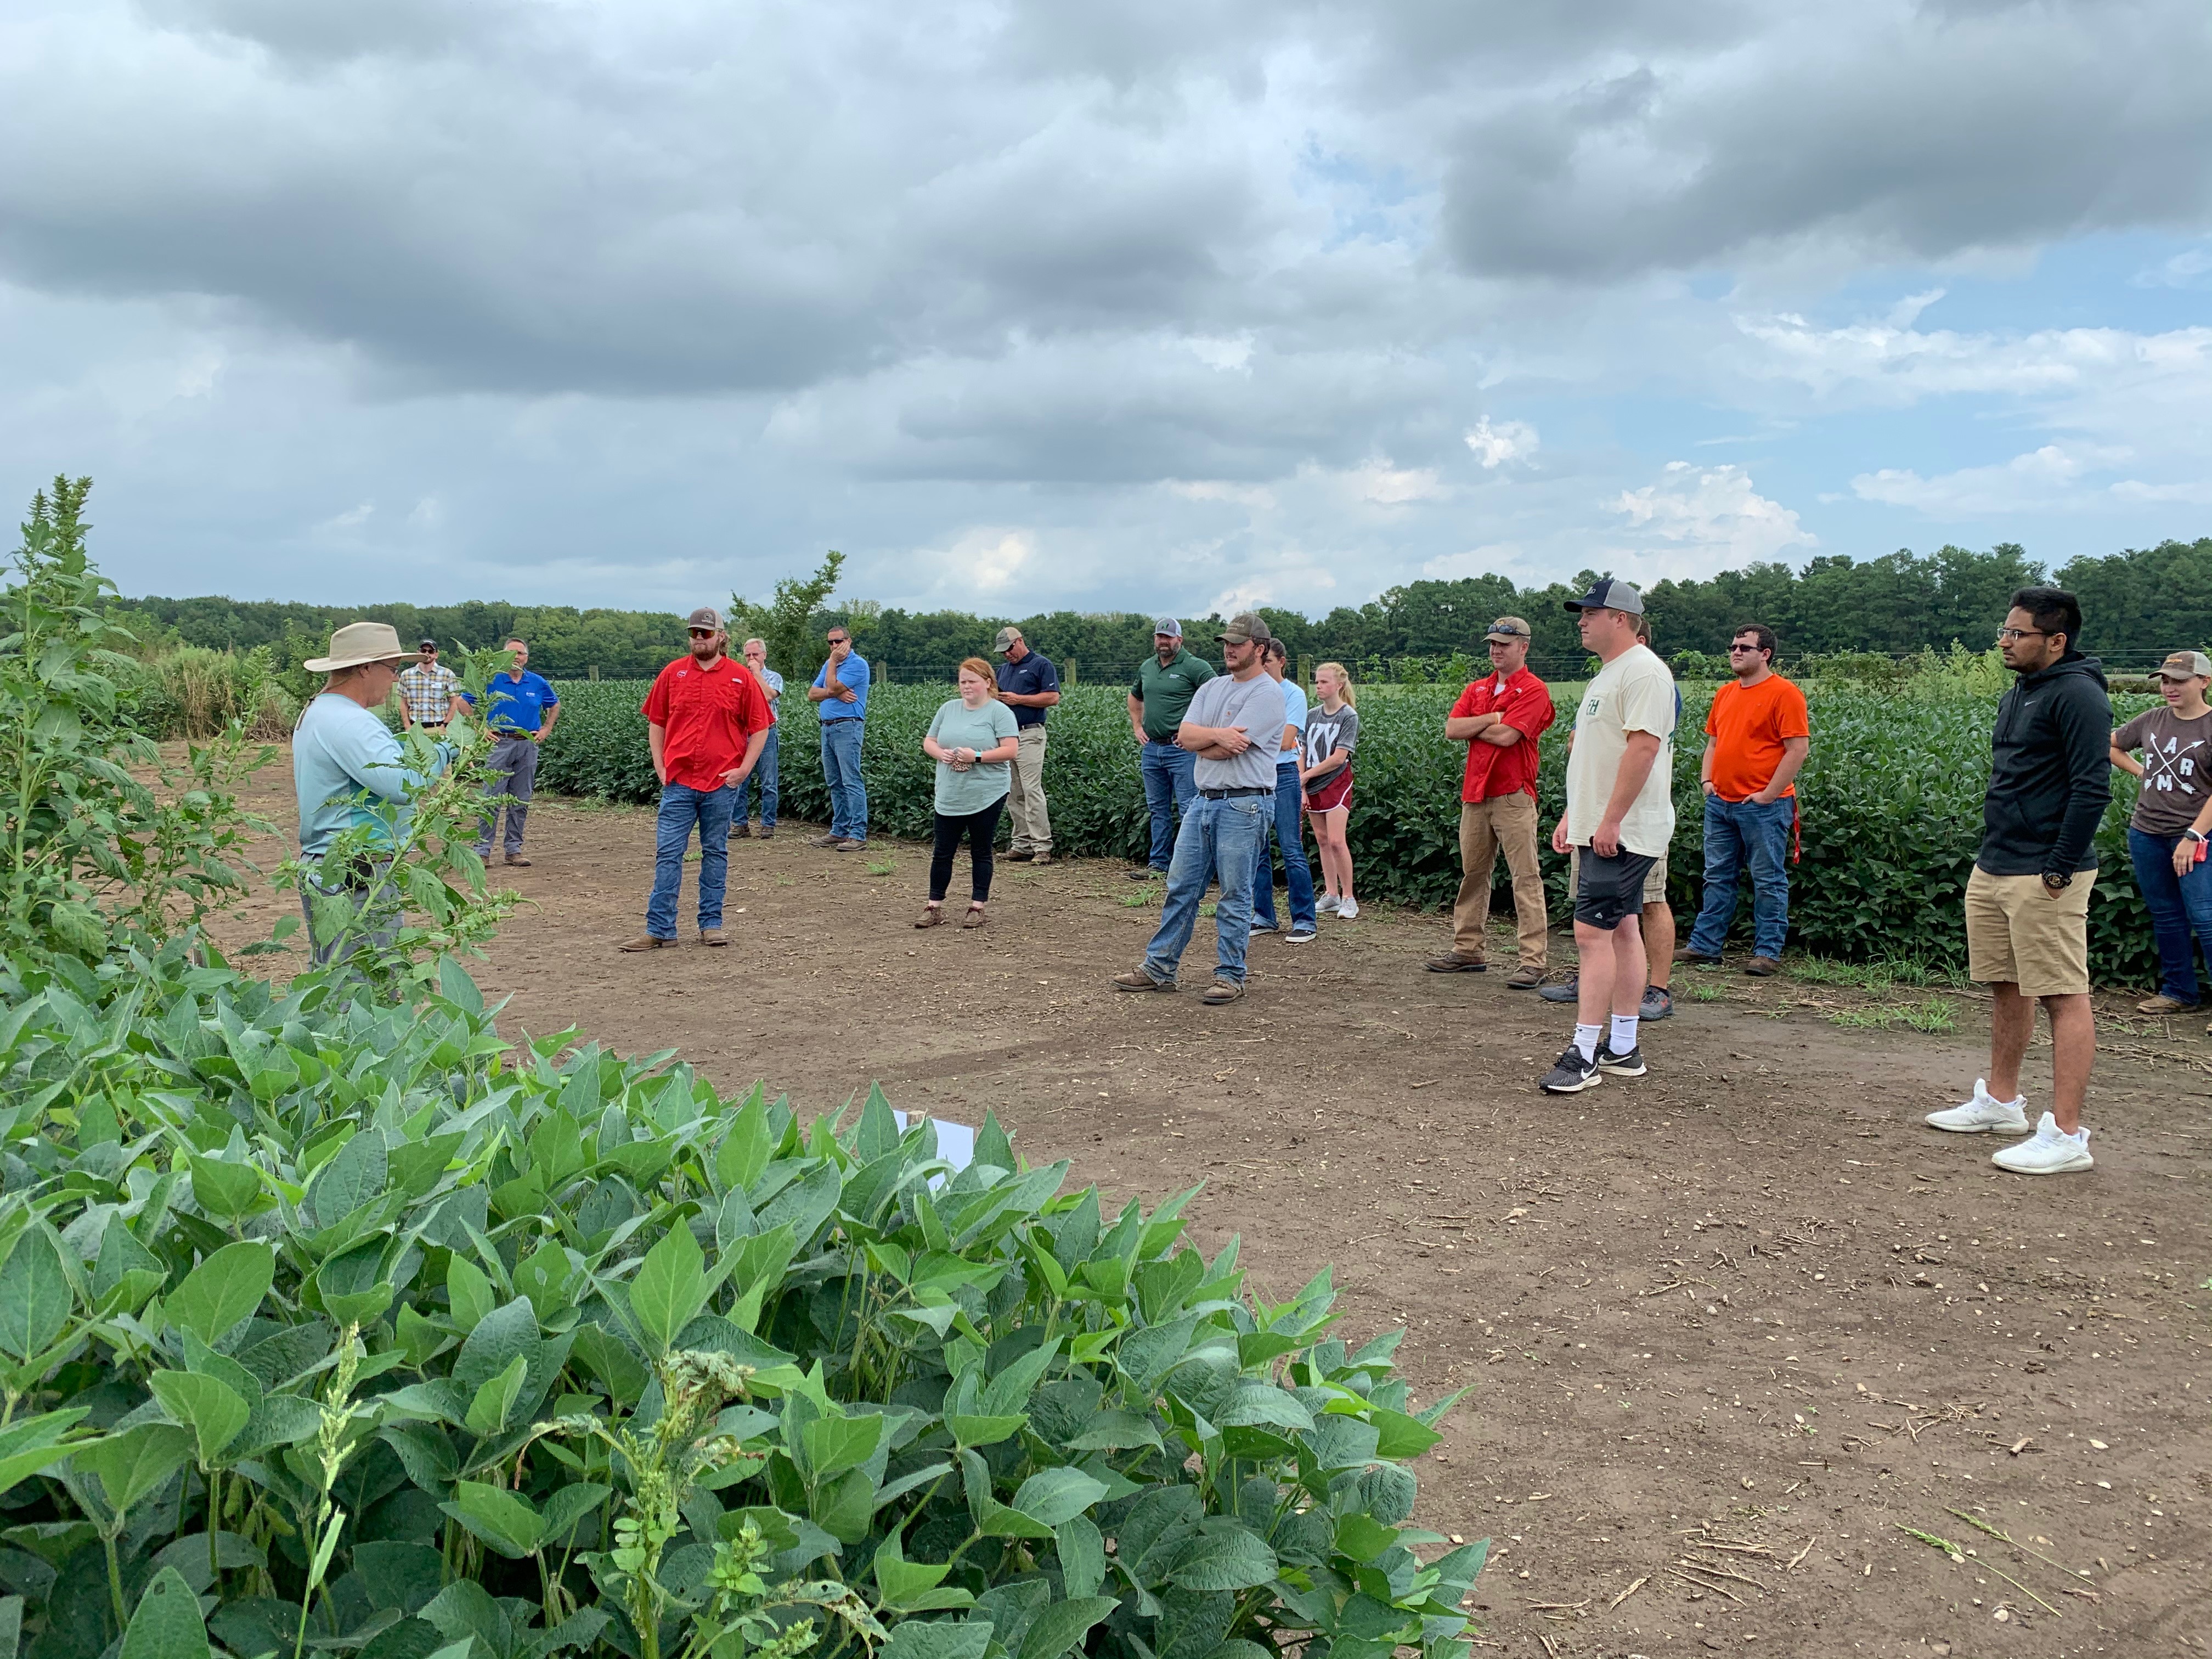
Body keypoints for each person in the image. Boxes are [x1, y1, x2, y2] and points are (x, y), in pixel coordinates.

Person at [1926, 586, 2108, 1176]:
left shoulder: (2079, 695)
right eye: (2004, 631)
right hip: (1998, 862)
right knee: (2007, 984)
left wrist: (2058, 866)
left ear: (2055, 640)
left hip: (2045, 872)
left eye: (2017, 633)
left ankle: (2068, 1134)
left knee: (2063, 993)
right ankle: (2002, 1105)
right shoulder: (2022, 690)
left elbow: (2091, 788)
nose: (2004, 642)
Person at [1539, 579, 1676, 1094]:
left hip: (1622, 831)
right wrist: (1576, 814)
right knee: (1621, 930)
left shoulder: (1643, 672)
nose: (1582, 620)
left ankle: (1583, 1052)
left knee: (1591, 936)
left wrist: (1612, 821)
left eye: (1591, 612)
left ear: (1620, 618)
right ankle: (1622, 1048)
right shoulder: (1612, 673)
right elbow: (1596, 756)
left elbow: (1642, 751)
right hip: (1601, 825)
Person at [1112, 614, 1286, 1003]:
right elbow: (1185, 735)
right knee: (1181, 887)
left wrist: (1203, 741)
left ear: (1259, 649)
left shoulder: (1267, 694)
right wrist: (1212, 737)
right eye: (1227, 642)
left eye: (1238, 644)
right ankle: (1159, 969)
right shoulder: (1213, 687)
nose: (1229, 648)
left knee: (1235, 893)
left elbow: (1226, 748)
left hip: (1245, 802)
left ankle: (1230, 975)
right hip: (1204, 801)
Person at [292, 622, 454, 967]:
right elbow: (403, 783)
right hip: (356, 874)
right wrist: (446, 750)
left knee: (332, 976)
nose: (396, 680)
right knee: (364, 987)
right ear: (365, 668)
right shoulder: (351, 722)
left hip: (330, 868)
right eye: (392, 670)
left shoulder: (320, 711)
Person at [620, 608, 772, 951]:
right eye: (694, 633)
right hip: (679, 782)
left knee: (715, 852)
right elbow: (656, 722)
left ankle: (711, 925)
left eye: (706, 633)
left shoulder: (740, 677)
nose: (699, 639)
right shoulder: (673, 674)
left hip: (722, 783)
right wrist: (660, 766)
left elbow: (760, 727)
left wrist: (744, 770)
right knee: (668, 854)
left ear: (721, 636)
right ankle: (659, 929)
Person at [1429, 617, 1556, 985]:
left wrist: (1480, 724)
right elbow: (1452, 729)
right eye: (1493, 644)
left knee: (1525, 876)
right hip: (1476, 794)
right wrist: (1493, 717)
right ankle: (1468, 949)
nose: (1496, 650)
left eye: (1504, 644)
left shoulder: (1534, 690)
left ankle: (1533, 960)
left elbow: (1506, 737)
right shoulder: (1479, 689)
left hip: (1514, 794)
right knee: (1473, 873)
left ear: (1524, 647)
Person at [1679, 623, 1810, 977]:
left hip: (1764, 807)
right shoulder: (1725, 694)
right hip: (1721, 803)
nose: (1736, 652)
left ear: (1765, 654)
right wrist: (1707, 782)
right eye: (1733, 646)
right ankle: (1705, 946)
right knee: (1717, 876)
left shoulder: (1785, 694)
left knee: (1768, 879)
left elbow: (1797, 749)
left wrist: (1768, 795)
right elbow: (1713, 743)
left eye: (1745, 648)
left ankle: (1767, 951)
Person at [2110, 651, 2212, 1014]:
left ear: (2204, 682)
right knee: (2167, 914)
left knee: (2205, 915)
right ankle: (2179, 992)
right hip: (2147, 833)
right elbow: (2113, 744)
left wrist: (2194, 837)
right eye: (2166, 681)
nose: (2170, 688)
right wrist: (2142, 773)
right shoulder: (2153, 719)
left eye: (2180, 681)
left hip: (2198, 837)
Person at [917, 658, 1022, 929]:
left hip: (987, 793)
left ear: (988, 683)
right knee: (942, 852)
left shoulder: (1000, 713)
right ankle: (934, 907)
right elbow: (929, 741)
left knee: (981, 851)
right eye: (963, 681)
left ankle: (977, 907)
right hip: (950, 793)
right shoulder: (948, 709)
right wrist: (941, 753)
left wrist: (975, 756)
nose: (966, 686)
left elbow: (1010, 750)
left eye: (972, 681)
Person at [1127, 617, 1216, 878]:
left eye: (1168, 637)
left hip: (1183, 751)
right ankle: (1159, 864)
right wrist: (1137, 727)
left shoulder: (1195, 666)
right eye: (1159, 637)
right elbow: (1135, 697)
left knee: (1189, 808)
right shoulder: (1147, 667)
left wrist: (1196, 733)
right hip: (1153, 749)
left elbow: (1218, 696)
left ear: (1180, 639)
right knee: (1158, 809)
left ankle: (1192, 867)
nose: (1163, 642)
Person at [459, 639, 558, 867]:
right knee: (491, 798)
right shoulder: (491, 680)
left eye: (521, 654)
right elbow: (464, 702)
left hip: (527, 744)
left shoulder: (537, 682)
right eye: (511, 654)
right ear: (500, 657)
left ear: (527, 657)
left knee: (521, 798)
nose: (517, 657)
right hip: (498, 743)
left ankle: (514, 850)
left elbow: (554, 704)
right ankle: (482, 851)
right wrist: (479, 727)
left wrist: (547, 728)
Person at [1250, 638, 1317, 942]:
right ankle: (1264, 914)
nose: (1262, 667)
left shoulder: (1294, 694)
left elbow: (1287, 740)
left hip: (1283, 772)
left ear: (1281, 663)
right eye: (1260, 662)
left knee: (1290, 847)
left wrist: (1249, 738)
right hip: (1256, 774)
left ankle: (1305, 919)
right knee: (1258, 848)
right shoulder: (1254, 691)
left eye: (1268, 662)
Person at [993, 626, 1061, 866]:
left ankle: (1042, 846)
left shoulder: (1041, 665)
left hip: (1030, 733)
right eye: (1003, 652)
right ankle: (1021, 844)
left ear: (1019, 641)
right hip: (1007, 737)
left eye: (1009, 649)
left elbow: (1052, 698)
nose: (1007, 655)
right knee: (1013, 791)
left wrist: (1018, 699)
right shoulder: (1002, 670)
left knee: (1032, 789)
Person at [1302, 663, 1361, 918]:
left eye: (1324, 682)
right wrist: (1302, 783)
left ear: (1339, 685)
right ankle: (1331, 894)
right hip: (1312, 783)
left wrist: (1305, 776)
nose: (1318, 686)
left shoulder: (1348, 716)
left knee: (1337, 840)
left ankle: (1349, 897)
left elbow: (1339, 758)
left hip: (1337, 782)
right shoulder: (1311, 714)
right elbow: (1302, 750)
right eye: (1317, 682)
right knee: (1322, 840)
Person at [807, 624, 871, 849]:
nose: (834, 646)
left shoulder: (858, 665)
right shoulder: (829, 664)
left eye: (838, 641)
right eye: (830, 643)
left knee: (851, 780)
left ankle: (858, 834)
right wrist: (833, 692)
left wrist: (833, 668)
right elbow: (812, 694)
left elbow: (832, 686)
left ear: (849, 641)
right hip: (827, 727)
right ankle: (839, 830)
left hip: (848, 727)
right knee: (835, 781)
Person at [733, 637, 783, 839]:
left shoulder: (774, 676)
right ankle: (740, 824)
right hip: (744, 733)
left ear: (764, 655)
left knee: (769, 781)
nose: (751, 658)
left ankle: (768, 825)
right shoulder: (739, 677)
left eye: (755, 654)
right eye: (748, 655)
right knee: (739, 780)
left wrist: (756, 674)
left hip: (767, 732)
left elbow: (769, 695)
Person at [397, 640, 463, 733]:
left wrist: (445, 725)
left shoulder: (448, 675)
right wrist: (407, 727)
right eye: (424, 651)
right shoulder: (406, 675)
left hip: (440, 727)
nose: (427, 654)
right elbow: (403, 704)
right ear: (418, 653)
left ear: (436, 655)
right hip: (415, 727)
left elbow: (455, 703)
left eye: (431, 651)